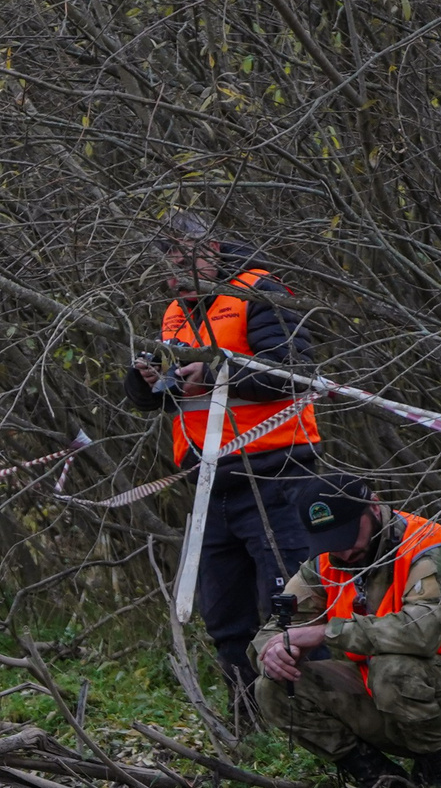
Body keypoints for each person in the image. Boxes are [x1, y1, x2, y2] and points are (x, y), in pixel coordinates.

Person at [124, 211, 320, 722]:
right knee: (224, 613)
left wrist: (215, 373)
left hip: (277, 474)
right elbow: (173, 398)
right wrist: (147, 382)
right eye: (167, 264)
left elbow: (293, 371)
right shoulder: (174, 313)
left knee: (288, 604)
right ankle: (248, 719)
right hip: (211, 483)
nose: (176, 273)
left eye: (184, 259)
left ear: (211, 248)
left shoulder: (260, 292)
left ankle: (314, 719)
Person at [252, 474, 441, 788]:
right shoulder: (327, 561)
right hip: (388, 698)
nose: (345, 552)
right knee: (273, 686)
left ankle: (438, 780)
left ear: (374, 507)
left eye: (349, 534)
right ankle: (379, 782)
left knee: (392, 667)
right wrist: (275, 650)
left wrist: (324, 633)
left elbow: (418, 633)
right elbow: (274, 629)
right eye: (332, 541)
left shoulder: (432, 549)